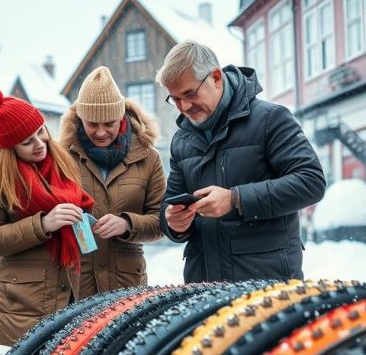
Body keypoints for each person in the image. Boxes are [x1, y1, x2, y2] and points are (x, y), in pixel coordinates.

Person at [157, 41, 325, 282]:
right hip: (202, 289)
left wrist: (235, 199)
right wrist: (173, 222)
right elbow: (168, 207)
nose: (184, 107)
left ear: (216, 77)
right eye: (174, 99)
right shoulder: (181, 140)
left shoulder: (271, 119)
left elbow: (311, 182)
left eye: (190, 94)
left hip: (265, 286)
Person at [0, 88, 94, 346]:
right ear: (9, 147)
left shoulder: (61, 161)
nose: (40, 144)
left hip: (69, 292)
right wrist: (42, 224)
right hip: (21, 303)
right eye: (27, 142)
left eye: (41, 132)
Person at [60, 66, 166, 295]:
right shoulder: (63, 158)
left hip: (127, 285)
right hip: (77, 285)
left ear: (122, 118)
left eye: (109, 123)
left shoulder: (148, 158)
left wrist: (128, 224)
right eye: (92, 124)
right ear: (80, 120)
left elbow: (162, 222)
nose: (100, 132)